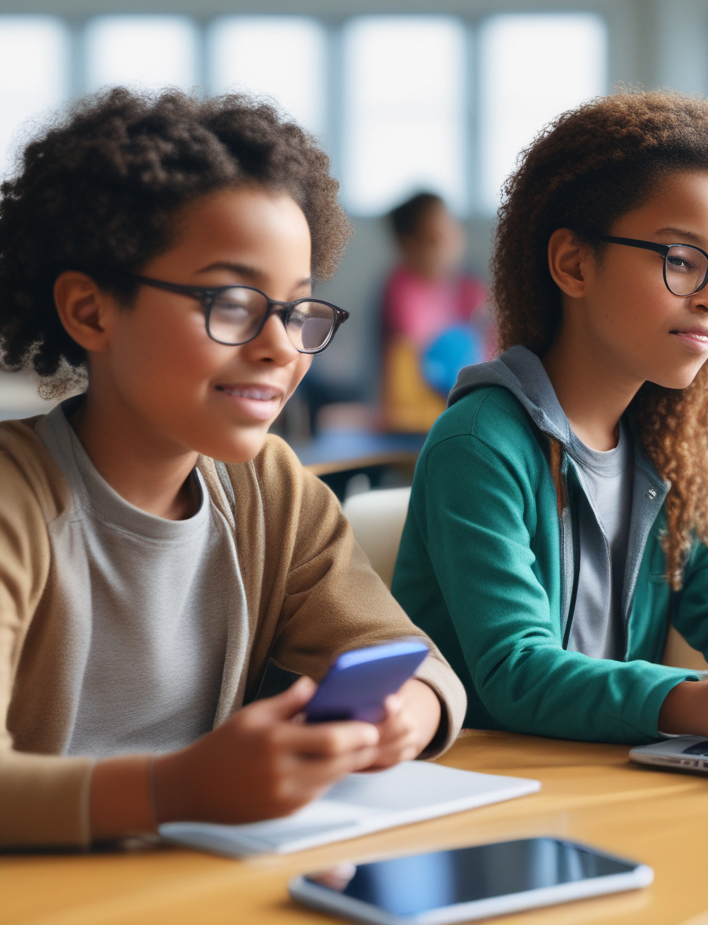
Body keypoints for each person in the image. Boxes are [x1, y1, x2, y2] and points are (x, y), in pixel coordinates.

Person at [0, 89, 465, 850]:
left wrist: (405, 713)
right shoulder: (15, 501)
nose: (282, 346)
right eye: (231, 303)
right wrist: (171, 790)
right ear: (90, 311)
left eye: (298, 311)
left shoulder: (270, 489)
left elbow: (412, 662)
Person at [390, 91, 708, 745]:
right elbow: (514, 669)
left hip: (597, 772)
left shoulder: (670, 443)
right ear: (573, 263)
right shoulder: (479, 443)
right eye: (682, 262)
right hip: (494, 785)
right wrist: (688, 701)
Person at [380, 192, 491, 432]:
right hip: (418, 405)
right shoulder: (401, 289)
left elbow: (489, 342)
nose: (450, 247)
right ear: (410, 246)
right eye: (436, 240)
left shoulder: (470, 289)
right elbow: (415, 357)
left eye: (453, 233)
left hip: (464, 396)